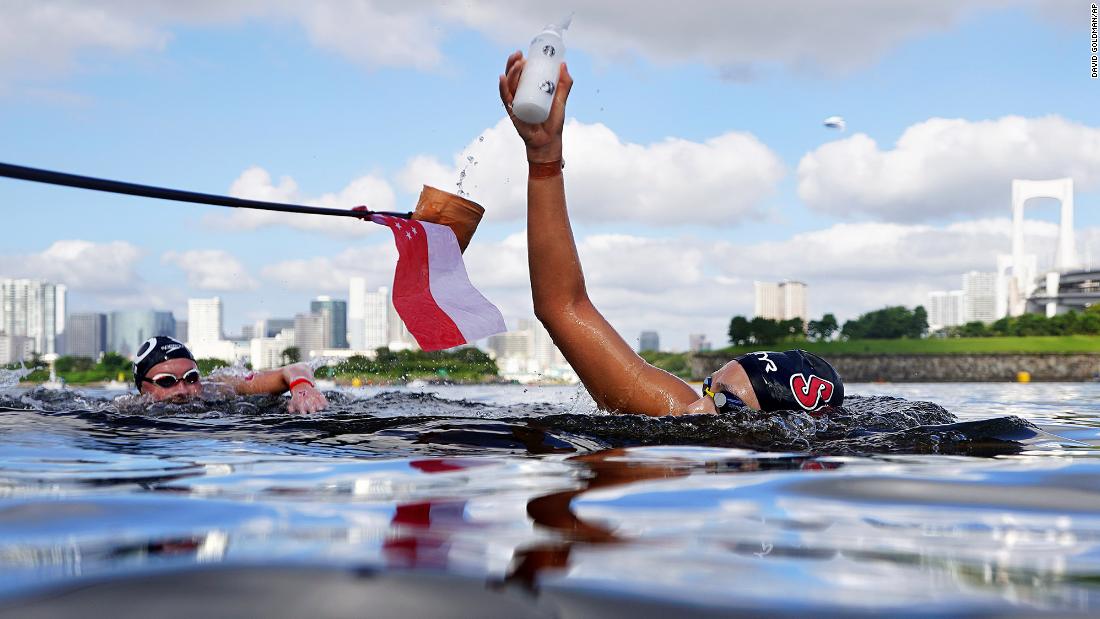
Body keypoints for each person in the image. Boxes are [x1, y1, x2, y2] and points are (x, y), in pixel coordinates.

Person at [498, 52, 844, 417]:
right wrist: (544, 156)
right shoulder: (683, 411)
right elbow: (563, 307)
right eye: (708, 388)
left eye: (727, 403)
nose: (697, 408)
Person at [133, 336, 328, 414]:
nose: (182, 390)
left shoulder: (221, 387)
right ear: (142, 387)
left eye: (191, 378)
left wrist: (302, 388)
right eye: (167, 381)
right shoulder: (125, 410)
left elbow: (295, 368)